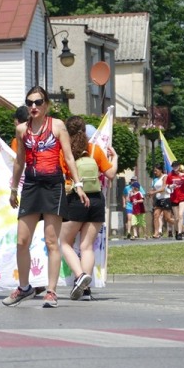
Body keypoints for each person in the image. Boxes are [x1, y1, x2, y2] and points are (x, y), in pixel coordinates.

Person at [3, 86, 89, 309]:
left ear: (46, 104)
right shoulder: (22, 130)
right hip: (31, 186)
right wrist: (13, 189)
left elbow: (69, 158)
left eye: (38, 102)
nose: (33, 106)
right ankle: (24, 287)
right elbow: (19, 161)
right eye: (29, 103)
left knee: (52, 241)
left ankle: (51, 292)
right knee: (22, 241)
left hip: (53, 186)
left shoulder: (58, 125)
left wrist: (78, 185)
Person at [59, 116, 117, 302]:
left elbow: (60, 177)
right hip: (97, 201)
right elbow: (110, 174)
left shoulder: (64, 152)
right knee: (86, 247)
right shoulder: (94, 150)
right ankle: (85, 291)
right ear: (84, 131)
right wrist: (114, 158)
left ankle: (79, 276)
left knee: (64, 242)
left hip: (76, 199)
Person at [166, 160, 184, 240]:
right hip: (174, 198)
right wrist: (170, 186)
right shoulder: (170, 175)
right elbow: (167, 186)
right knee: (176, 218)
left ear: (179, 166)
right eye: (173, 166)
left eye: (176, 166)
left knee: (181, 214)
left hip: (183, 197)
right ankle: (176, 231)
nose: (175, 167)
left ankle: (180, 233)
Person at [147, 164, 175, 238]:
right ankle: (156, 233)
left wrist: (154, 192)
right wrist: (151, 193)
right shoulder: (155, 179)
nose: (155, 172)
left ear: (160, 170)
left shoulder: (165, 176)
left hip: (166, 198)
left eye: (156, 170)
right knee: (156, 215)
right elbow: (155, 189)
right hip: (159, 199)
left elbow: (163, 188)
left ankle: (180, 224)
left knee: (167, 218)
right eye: (154, 171)